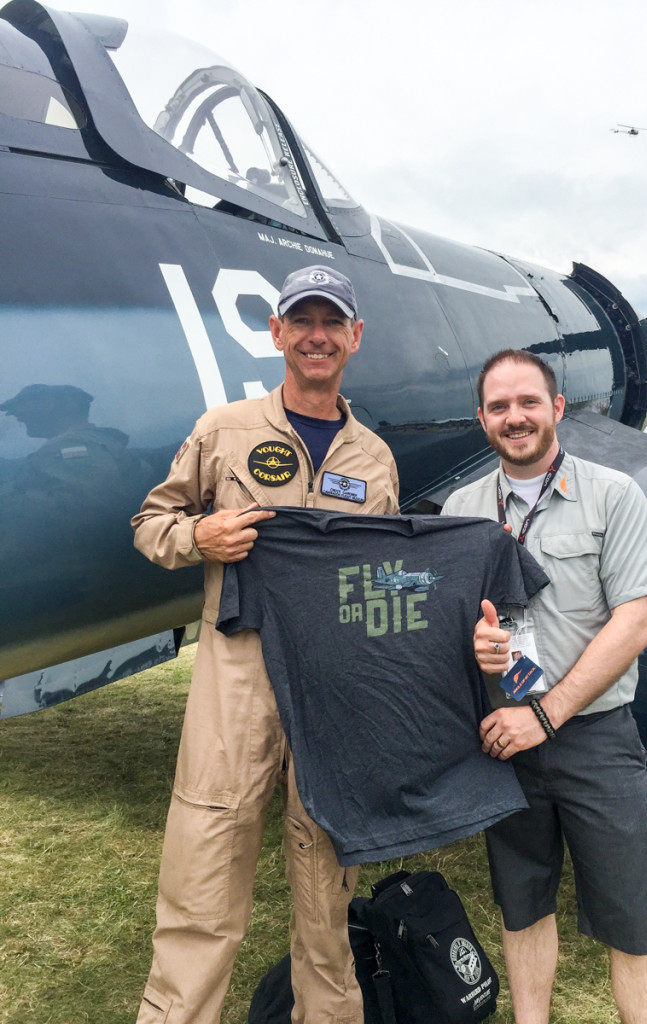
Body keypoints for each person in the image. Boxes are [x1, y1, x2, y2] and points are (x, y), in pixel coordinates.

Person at [131, 265, 399, 1024]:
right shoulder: (224, 431)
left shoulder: (374, 459)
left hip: (332, 699)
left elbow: (381, 581)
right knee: (202, 888)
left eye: (332, 322)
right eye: (301, 321)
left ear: (353, 337)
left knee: (328, 904)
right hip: (236, 692)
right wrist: (199, 535)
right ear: (277, 333)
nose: (317, 336)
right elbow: (151, 525)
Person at [441, 349, 647, 1024]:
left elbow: (635, 622)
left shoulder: (612, 495)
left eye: (528, 403)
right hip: (504, 744)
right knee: (522, 908)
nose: (514, 418)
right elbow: (445, 622)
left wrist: (544, 716)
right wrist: (474, 644)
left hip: (593, 742)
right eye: (499, 407)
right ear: (481, 419)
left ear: (557, 409)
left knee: (633, 924)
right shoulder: (461, 509)